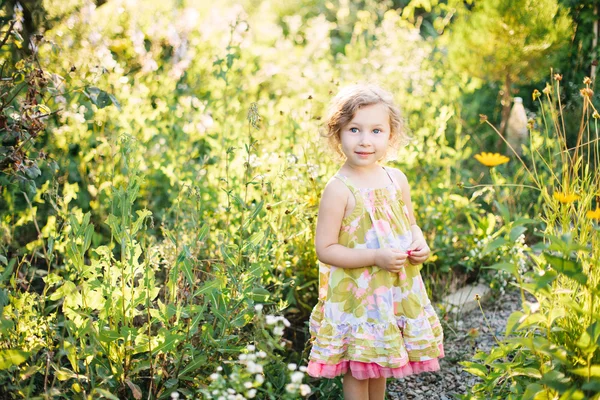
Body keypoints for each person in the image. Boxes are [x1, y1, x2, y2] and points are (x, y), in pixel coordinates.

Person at [306, 83, 445, 400]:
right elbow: (325, 249)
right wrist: (375, 257)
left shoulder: (397, 179)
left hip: (391, 291)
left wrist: (419, 243)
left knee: (379, 361)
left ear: (390, 135)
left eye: (376, 131)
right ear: (337, 133)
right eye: (354, 129)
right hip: (357, 296)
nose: (365, 140)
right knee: (359, 365)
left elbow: (410, 224)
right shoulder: (339, 188)